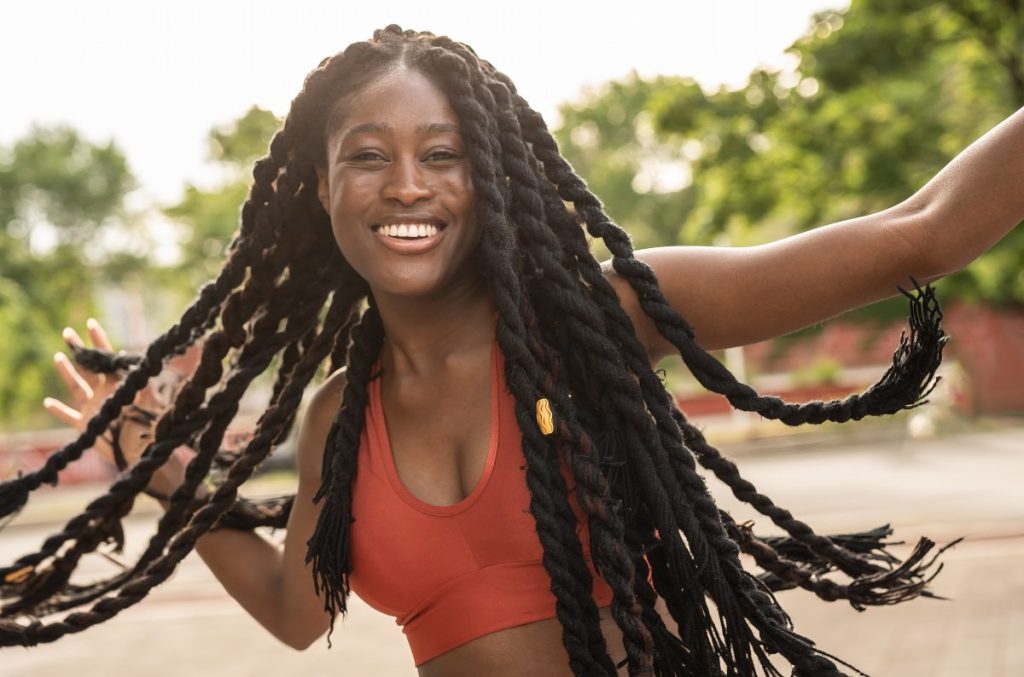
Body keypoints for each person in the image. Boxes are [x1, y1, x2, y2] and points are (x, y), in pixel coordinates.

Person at [0, 25, 1021, 676]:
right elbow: (293, 610)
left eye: (442, 154)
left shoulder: (607, 317)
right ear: (321, 190)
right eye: (369, 155)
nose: (407, 184)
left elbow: (919, 231)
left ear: (491, 179)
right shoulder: (335, 419)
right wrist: (164, 471)